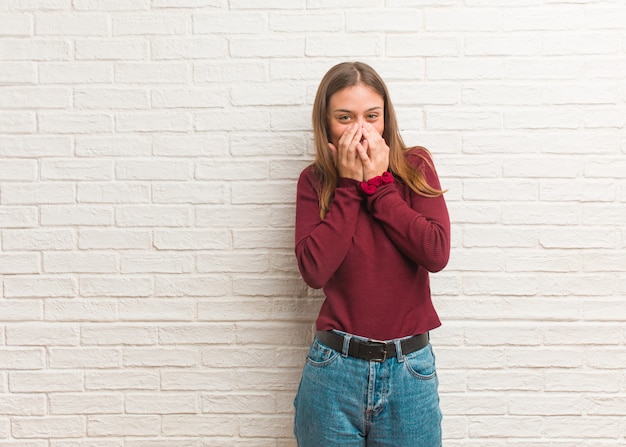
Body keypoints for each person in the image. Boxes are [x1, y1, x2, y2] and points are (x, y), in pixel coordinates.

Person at [293, 61, 451, 446]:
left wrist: (380, 187)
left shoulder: (415, 167)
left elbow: (435, 252)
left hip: (408, 371)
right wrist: (348, 187)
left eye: (371, 116)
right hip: (333, 371)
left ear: (386, 119)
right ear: (326, 124)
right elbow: (314, 270)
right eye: (345, 117)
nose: (360, 129)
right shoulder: (315, 182)